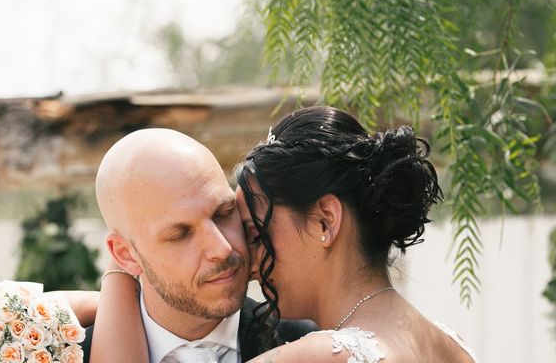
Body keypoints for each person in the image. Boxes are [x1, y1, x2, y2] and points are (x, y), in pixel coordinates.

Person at [84, 107, 477, 362]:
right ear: (125, 252)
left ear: (324, 222)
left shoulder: (304, 356)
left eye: (253, 229)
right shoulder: (451, 346)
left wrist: (117, 286)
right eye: (180, 234)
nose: (243, 257)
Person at [79, 128, 316, 363]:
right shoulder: (66, 354)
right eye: (180, 234)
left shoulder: (310, 341)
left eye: (223, 214)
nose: (221, 248)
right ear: (126, 255)